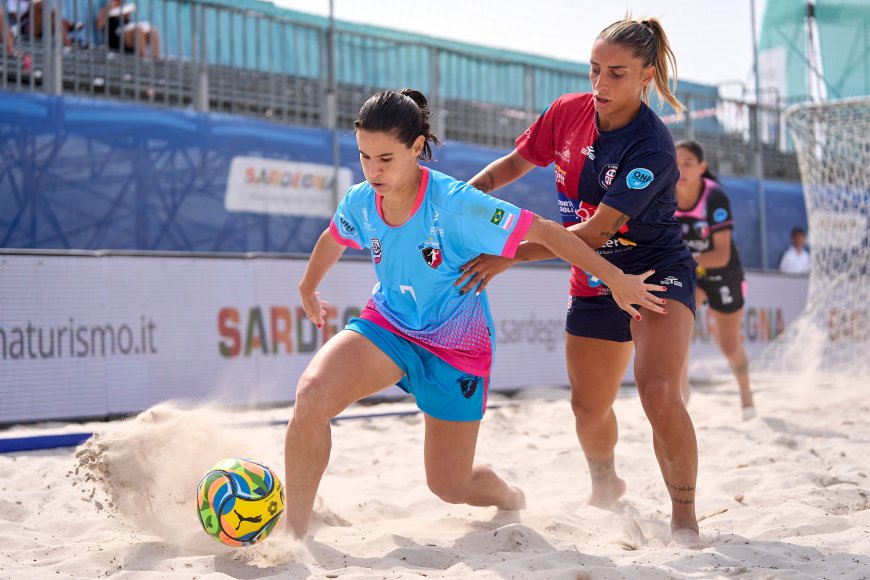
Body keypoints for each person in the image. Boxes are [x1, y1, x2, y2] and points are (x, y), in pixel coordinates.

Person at [283, 88, 667, 538]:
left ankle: (510, 498)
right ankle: (294, 535)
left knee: (449, 484)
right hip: (389, 325)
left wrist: (616, 279)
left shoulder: (456, 205)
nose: (373, 170)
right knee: (311, 396)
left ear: (417, 148)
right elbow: (334, 236)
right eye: (365, 156)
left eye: (386, 157)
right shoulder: (361, 199)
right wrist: (309, 286)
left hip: (455, 350)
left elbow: (547, 231)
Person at [454, 17, 702, 545]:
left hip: (653, 272)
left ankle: (684, 521)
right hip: (591, 275)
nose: (601, 85)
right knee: (588, 406)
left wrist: (507, 257)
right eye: (594, 70)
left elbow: (592, 233)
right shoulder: (569, 112)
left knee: (658, 392)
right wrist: (457, 200)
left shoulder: (652, 147)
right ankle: (606, 484)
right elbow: (516, 162)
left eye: (616, 73)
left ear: (646, 76)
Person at [673, 139, 755, 420]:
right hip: (690, 272)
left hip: (723, 271)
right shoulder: (664, 195)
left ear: (702, 167)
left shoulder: (714, 197)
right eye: (676, 163)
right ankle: (682, 393)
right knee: (677, 332)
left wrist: (678, 260)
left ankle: (746, 398)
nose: (680, 169)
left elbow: (720, 255)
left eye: (688, 163)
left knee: (729, 345)